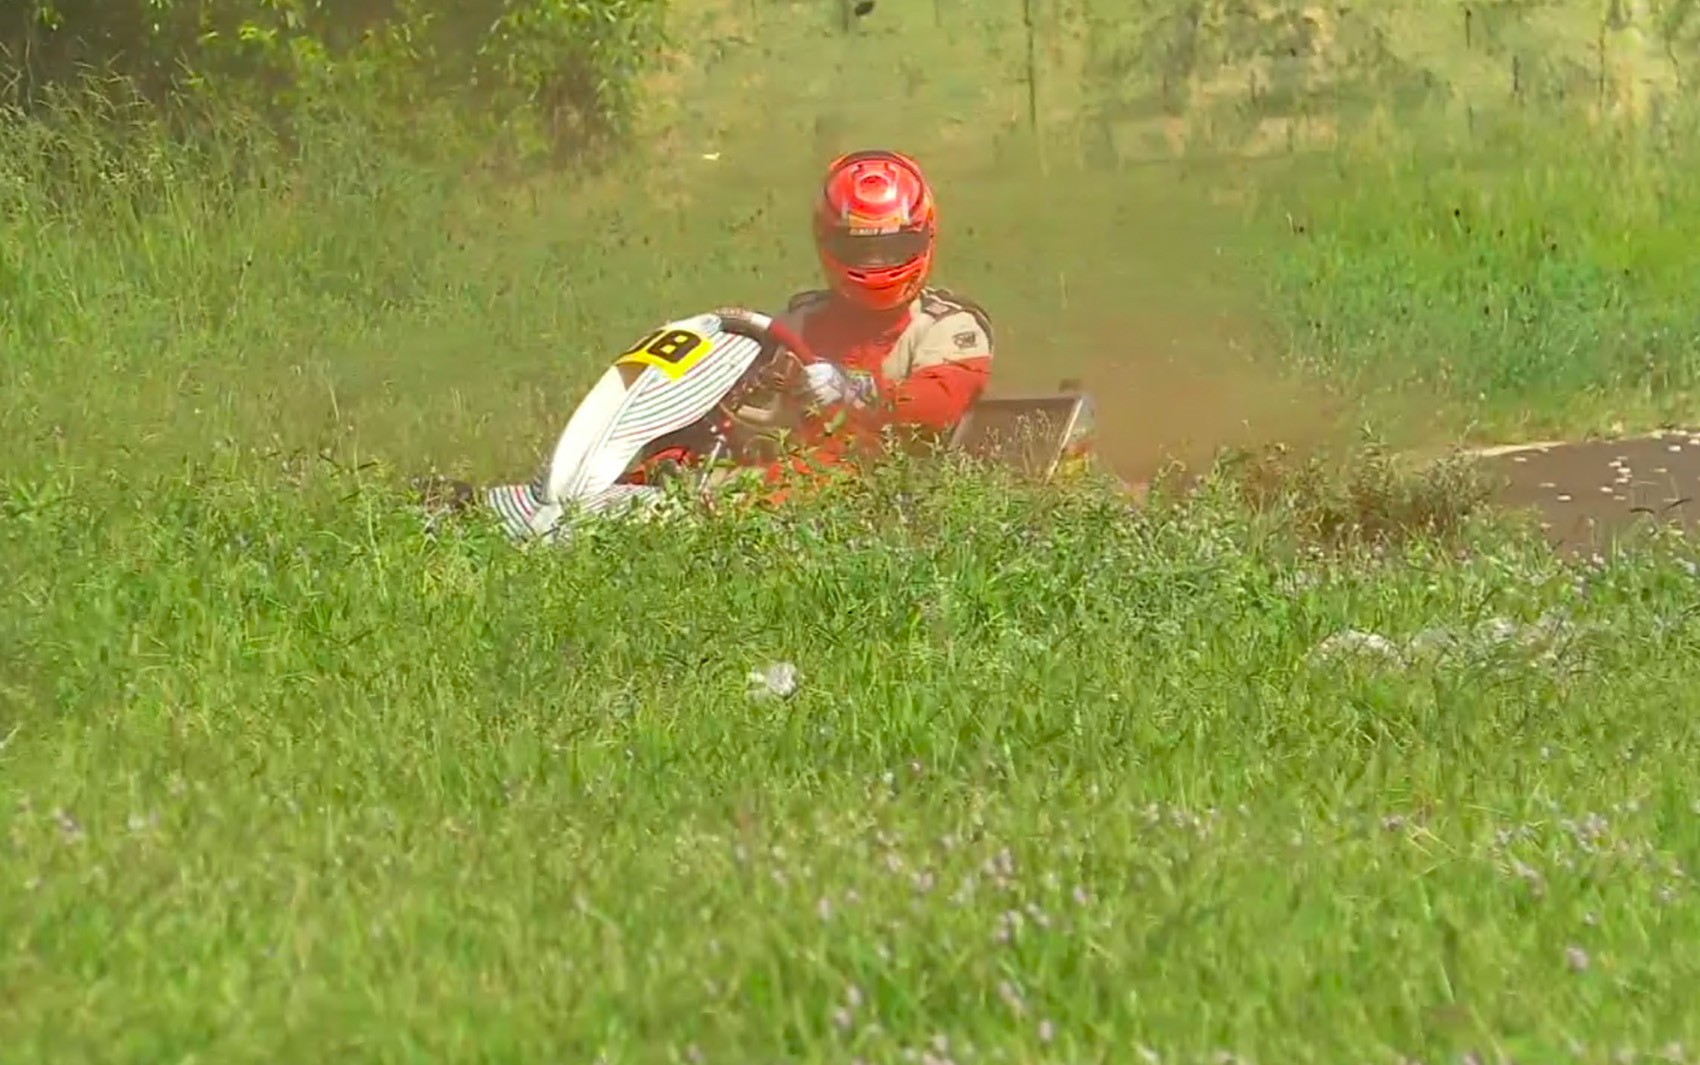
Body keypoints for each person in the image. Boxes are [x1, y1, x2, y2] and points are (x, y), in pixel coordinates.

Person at [765, 148, 996, 483]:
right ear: (826, 241)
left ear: (925, 236)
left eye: (893, 248)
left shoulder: (948, 326)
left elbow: (935, 408)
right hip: (794, 472)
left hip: (893, 484)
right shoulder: (797, 322)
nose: (877, 264)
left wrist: (854, 388)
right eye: (861, 250)